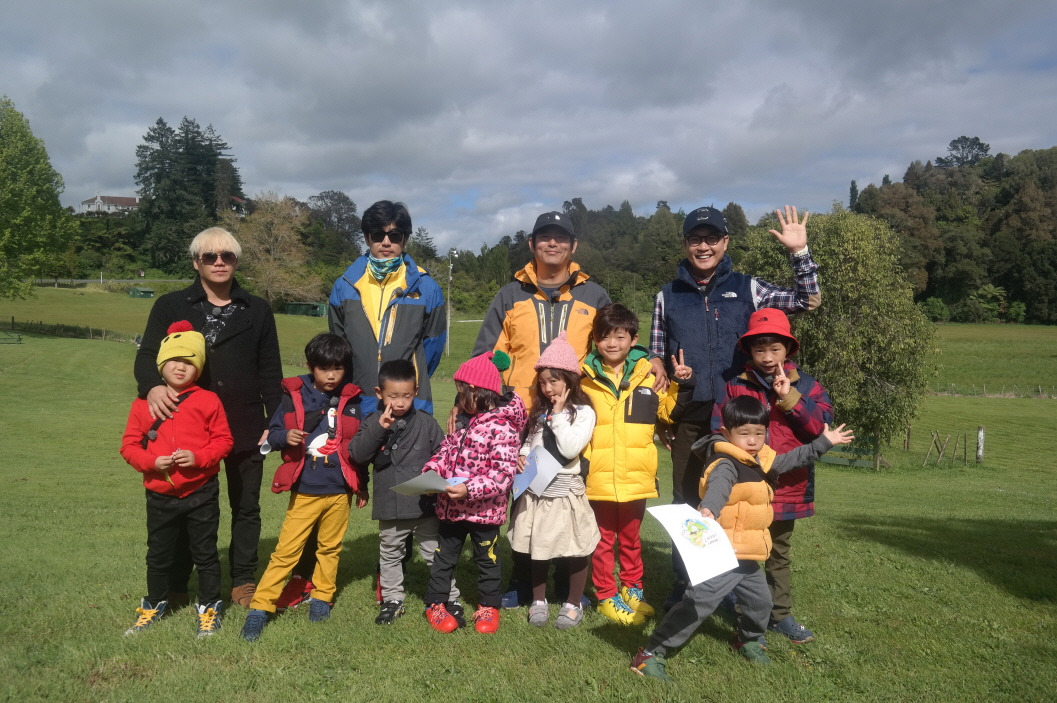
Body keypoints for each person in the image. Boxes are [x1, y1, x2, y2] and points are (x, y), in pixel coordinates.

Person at [650, 205, 820, 609]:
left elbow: (807, 300)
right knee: (688, 504)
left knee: (739, 501)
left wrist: (799, 253)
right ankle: (687, 583)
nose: (703, 246)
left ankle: (735, 586)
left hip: (741, 418)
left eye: (712, 238)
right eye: (696, 239)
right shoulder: (666, 296)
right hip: (691, 419)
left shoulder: (749, 288)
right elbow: (657, 353)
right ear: (685, 244)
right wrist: (656, 372)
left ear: (725, 243)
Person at [630, 396, 853, 682]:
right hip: (721, 556)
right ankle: (650, 654)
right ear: (726, 433)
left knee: (761, 603)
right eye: (744, 433)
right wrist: (710, 509)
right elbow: (718, 488)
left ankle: (747, 639)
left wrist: (824, 442)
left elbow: (794, 458)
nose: (752, 440)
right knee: (697, 605)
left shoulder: (762, 460)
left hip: (746, 557)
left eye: (759, 433)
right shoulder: (726, 463)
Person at [466, 210, 612, 609]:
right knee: (524, 499)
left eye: (560, 237)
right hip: (521, 417)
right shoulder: (509, 295)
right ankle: (521, 581)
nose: (552, 243)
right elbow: (485, 356)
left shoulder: (594, 295)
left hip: (573, 415)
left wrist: (647, 358)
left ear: (573, 246)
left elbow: (615, 342)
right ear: (532, 244)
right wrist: (471, 405)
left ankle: (567, 583)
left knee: (569, 498)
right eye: (544, 237)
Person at [134, 227, 282, 609]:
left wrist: (276, 422)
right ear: (195, 262)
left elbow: (270, 371)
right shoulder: (170, 304)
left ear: (236, 261)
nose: (219, 262)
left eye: (227, 256)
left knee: (246, 507)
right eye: (210, 256)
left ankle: (243, 579)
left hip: (245, 425)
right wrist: (152, 387)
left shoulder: (257, 310)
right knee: (186, 505)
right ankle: (177, 583)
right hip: (188, 428)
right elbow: (147, 355)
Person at [711, 309, 832, 643]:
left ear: (788, 349)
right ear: (749, 351)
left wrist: (788, 397)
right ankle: (747, 616)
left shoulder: (808, 386)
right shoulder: (735, 386)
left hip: (787, 488)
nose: (767, 357)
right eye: (759, 350)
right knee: (743, 552)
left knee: (779, 553)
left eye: (775, 349)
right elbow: (718, 431)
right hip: (745, 489)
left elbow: (819, 430)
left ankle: (780, 615)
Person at [239, 334, 369, 641]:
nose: (331, 375)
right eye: (324, 368)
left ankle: (322, 597)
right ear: (311, 367)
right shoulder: (293, 396)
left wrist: (362, 484)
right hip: (307, 490)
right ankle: (260, 607)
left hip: (340, 492)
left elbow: (357, 447)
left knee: (330, 548)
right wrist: (286, 437)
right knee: (286, 551)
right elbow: (273, 433)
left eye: (338, 368)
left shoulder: (352, 399)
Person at [120, 321, 233, 637]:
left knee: (205, 553)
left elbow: (224, 441)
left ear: (199, 368)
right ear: (160, 364)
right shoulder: (143, 403)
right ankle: (154, 604)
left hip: (201, 491)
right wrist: (152, 462)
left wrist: (198, 458)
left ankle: (209, 609)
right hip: (159, 494)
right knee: (158, 554)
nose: (181, 367)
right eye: (174, 360)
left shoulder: (208, 400)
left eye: (189, 361)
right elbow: (128, 446)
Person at [580, 304, 684, 625]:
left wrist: (678, 383)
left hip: (637, 476)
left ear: (634, 339)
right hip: (598, 477)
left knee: (631, 539)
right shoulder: (583, 380)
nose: (612, 344)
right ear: (595, 339)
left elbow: (668, 413)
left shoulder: (649, 376)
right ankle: (606, 595)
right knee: (602, 541)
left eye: (620, 337)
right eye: (604, 337)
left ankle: (632, 588)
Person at [347, 359, 463, 626]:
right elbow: (358, 454)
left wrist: (436, 482)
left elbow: (444, 454)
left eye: (407, 396)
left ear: (416, 391)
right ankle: (392, 598)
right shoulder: (373, 421)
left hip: (424, 503)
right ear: (379, 393)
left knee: (434, 553)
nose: (400, 403)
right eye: (393, 396)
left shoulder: (425, 422)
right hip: (391, 503)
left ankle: (450, 597)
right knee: (390, 553)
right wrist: (380, 427)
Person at [422, 352, 527, 634]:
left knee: (487, 561)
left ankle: (488, 607)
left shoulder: (503, 428)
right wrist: (431, 472)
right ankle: (435, 603)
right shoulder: (463, 420)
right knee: (443, 558)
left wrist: (469, 489)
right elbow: (446, 451)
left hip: (485, 513)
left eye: (461, 392)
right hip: (452, 509)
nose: (458, 399)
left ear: (477, 391)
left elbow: (502, 475)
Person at [509, 331, 599, 629]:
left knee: (575, 548)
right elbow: (531, 441)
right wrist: (523, 454)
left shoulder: (583, 413)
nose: (548, 388)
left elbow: (571, 449)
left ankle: (573, 602)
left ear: (570, 380)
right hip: (537, 490)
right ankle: (539, 600)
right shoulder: (541, 411)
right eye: (543, 382)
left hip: (566, 491)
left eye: (554, 381)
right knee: (539, 545)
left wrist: (559, 414)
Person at [328, 200, 446, 416]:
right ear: (366, 238)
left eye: (395, 236)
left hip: (410, 404)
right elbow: (338, 347)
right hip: (356, 402)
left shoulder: (427, 288)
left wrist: (405, 384)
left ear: (405, 239)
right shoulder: (343, 286)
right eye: (377, 235)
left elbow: (433, 348)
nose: (386, 242)